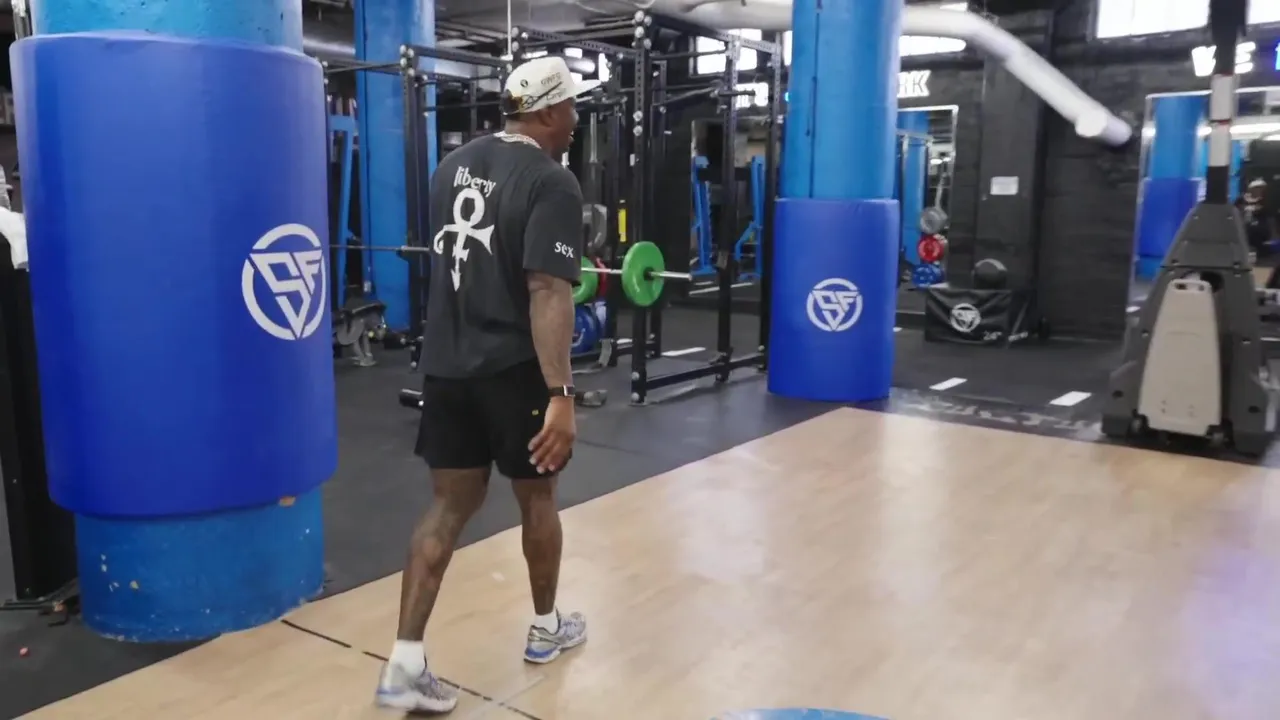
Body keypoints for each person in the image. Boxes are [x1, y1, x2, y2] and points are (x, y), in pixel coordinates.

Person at [374, 56, 598, 714]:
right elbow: (548, 289)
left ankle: (403, 663)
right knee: (538, 500)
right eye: (572, 108)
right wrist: (561, 394)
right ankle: (546, 627)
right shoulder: (551, 180)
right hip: (515, 372)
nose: (576, 119)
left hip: (447, 367)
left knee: (447, 507)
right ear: (549, 111)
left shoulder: (451, 166)